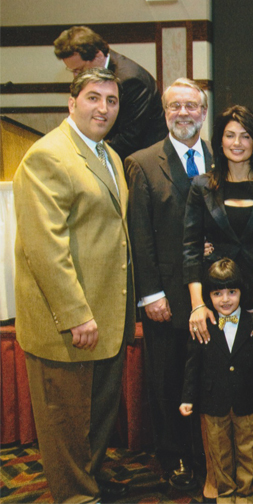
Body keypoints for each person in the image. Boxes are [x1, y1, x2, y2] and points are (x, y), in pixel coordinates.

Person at [13, 68, 135, 504]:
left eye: (112, 100)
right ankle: (75, 496)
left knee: (94, 417)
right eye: (93, 98)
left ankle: (87, 481)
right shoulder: (48, 156)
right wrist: (76, 313)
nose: (103, 108)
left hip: (106, 318)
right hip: (69, 323)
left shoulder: (110, 156)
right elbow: (44, 247)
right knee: (66, 422)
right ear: (71, 103)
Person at [182, 105, 253, 493]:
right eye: (230, 135)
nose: (237, 143)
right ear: (219, 140)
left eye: (245, 135)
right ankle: (217, 483)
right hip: (216, 302)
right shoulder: (201, 187)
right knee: (215, 398)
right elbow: (191, 249)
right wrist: (197, 304)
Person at [125, 78, 213, 491]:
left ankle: (204, 456)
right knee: (169, 383)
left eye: (191, 106)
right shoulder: (143, 163)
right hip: (168, 300)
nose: (183, 113)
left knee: (209, 381)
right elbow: (139, 235)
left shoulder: (221, 158)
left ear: (203, 112)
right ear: (164, 113)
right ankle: (174, 459)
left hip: (213, 298)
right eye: (174, 106)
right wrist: (151, 294)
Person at [180, 258, 253, 504]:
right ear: (208, 295)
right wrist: (187, 399)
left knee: (248, 450)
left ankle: (246, 493)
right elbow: (193, 367)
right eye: (217, 293)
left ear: (241, 292)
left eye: (231, 292)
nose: (225, 299)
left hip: (248, 401)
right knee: (219, 453)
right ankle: (225, 494)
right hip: (213, 404)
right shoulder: (203, 326)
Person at [54, 25, 168, 161]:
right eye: (72, 71)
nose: (76, 76)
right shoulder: (101, 67)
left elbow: (129, 139)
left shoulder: (132, 80)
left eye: (80, 70)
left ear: (98, 55)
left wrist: (86, 158)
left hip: (142, 162)